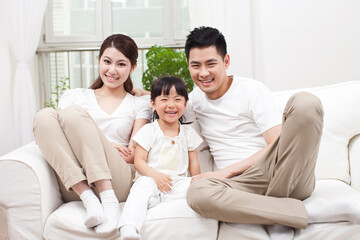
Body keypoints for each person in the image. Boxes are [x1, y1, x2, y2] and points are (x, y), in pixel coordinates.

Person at [184, 26, 360, 240]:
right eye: (196, 65)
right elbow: (167, 103)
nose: (203, 73)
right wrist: (139, 93)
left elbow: (277, 144)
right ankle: (301, 214)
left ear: (226, 61)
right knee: (197, 193)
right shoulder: (193, 100)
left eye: (211, 63)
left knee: (306, 102)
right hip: (239, 188)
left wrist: (226, 172)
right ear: (189, 66)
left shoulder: (251, 90)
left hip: (280, 172)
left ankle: (276, 212)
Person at [33, 34, 151, 234]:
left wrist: (99, 141)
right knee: (43, 116)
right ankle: (90, 199)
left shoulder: (138, 103)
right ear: (99, 61)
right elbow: (57, 140)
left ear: (132, 68)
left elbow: (131, 154)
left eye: (121, 64)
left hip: (117, 180)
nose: (112, 70)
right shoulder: (75, 96)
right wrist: (103, 142)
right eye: (107, 61)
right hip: (77, 183)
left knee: (73, 114)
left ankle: (108, 200)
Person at [118, 76, 202, 240]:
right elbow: (139, 161)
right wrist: (154, 175)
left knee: (197, 187)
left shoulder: (188, 133)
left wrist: (197, 181)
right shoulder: (149, 130)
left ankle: (157, 202)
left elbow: (194, 164)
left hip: (176, 183)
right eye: (164, 99)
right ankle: (128, 227)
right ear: (153, 104)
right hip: (151, 179)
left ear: (185, 104)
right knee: (142, 187)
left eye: (177, 99)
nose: (171, 105)